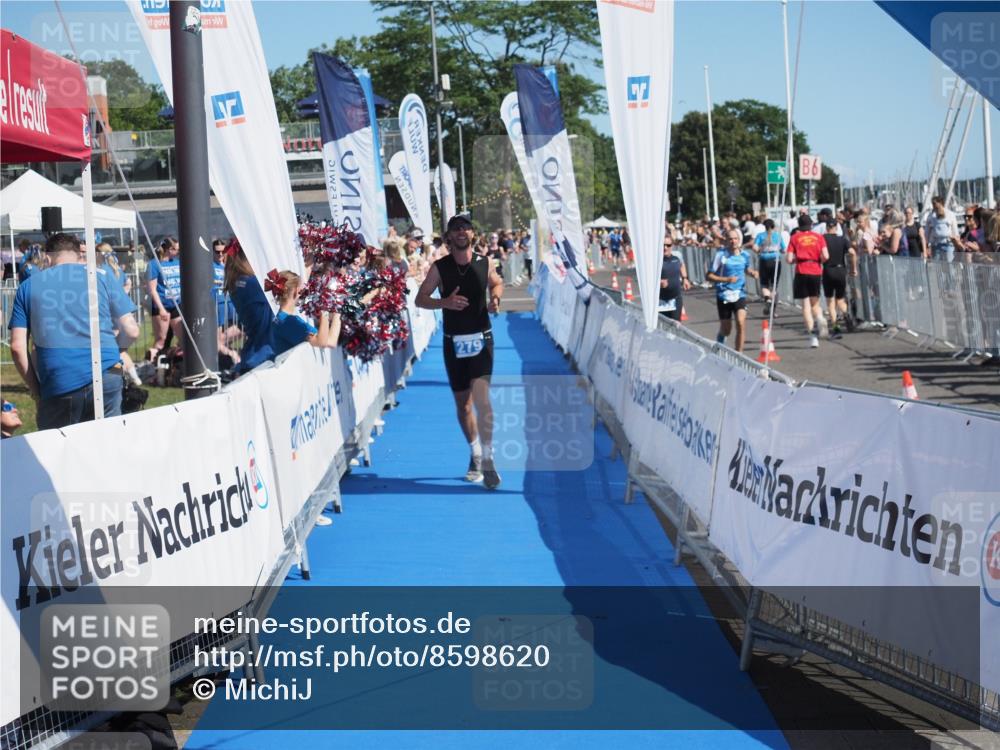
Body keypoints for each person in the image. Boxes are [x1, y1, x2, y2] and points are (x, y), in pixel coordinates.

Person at [8, 233, 139, 429]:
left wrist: (36, 390)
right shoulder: (102, 275)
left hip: (59, 379)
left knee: (58, 453)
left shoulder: (28, 286)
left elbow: (18, 347)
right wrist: (117, 350)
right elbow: (131, 330)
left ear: (47, 257)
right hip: (108, 373)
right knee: (108, 447)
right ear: (79, 255)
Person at [415, 213, 504, 490]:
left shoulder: (485, 261)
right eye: (456, 229)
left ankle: (488, 458)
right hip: (454, 342)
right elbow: (420, 299)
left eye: (466, 227)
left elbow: (497, 282)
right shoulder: (440, 267)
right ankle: (476, 453)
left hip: (482, 339)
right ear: (449, 236)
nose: (462, 232)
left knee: (482, 400)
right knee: (463, 405)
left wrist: (496, 298)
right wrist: (445, 302)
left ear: (473, 234)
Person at [224, 238, 275, 373]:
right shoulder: (252, 283)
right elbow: (286, 292)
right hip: (263, 356)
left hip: (255, 353)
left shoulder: (237, 282)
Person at [265, 269, 340, 357]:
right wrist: (326, 307)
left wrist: (337, 309)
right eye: (302, 288)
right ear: (297, 291)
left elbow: (330, 341)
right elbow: (323, 342)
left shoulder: (282, 318)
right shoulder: (289, 321)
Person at [706, 228, 758, 353]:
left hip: (740, 293)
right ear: (726, 241)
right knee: (726, 330)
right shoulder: (721, 255)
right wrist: (726, 279)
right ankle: (718, 346)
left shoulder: (745, 255)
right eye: (730, 239)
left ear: (739, 240)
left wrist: (752, 272)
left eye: (735, 239)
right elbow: (709, 275)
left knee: (741, 323)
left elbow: (746, 269)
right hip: (723, 295)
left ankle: (738, 355)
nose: (733, 241)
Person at [786, 214, 829, 348]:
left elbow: (788, 259)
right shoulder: (819, 237)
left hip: (801, 270)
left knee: (805, 306)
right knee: (815, 303)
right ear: (811, 225)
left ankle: (813, 336)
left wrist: (796, 260)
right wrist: (818, 260)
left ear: (799, 225)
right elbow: (826, 256)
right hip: (815, 270)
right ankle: (821, 319)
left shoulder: (795, 237)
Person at [147, 236, 182, 360]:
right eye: (176, 249)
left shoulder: (177, 262)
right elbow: (152, 289)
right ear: (168, 249)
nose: (178, 252)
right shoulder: (154, 264)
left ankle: (172, 364)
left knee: (183, 339)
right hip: (161, 306)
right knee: (161, 340)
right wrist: (161, 309)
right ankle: (152, 367)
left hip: (176, 305)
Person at [821, 219, 856, 338]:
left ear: (826, 228)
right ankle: (846, 314)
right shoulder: (842, 239)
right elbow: (852, 252)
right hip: (841, 269)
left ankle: (836, 326)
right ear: (836, 227)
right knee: (840, 299)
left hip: (828, 270)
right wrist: (853, 268)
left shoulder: (823, 239)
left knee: (830, 301)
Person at [752, 219, 785, 313]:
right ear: (773, 226)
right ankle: (773, 309)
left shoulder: (760, 235)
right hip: (776, 260)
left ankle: (767, 299)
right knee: (774, 285)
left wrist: (759, 251)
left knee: (764, 284)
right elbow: (783, 249)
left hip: (764, 259)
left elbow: (754, 247)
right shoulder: (778, 235)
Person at [658, 236, 690, 321]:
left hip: (675, 298)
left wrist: (685, 279)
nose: (665, 248)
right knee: (662, 328)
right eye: (663, 245)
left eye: (668, 245)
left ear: (672, 246)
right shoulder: (656, 259)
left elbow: (682, 265)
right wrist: (658, 282)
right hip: (660, 300)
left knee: (676, 325)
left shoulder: (677, 256)